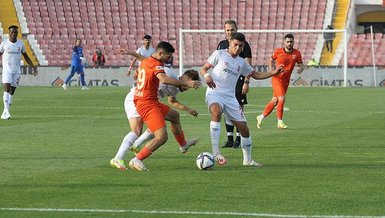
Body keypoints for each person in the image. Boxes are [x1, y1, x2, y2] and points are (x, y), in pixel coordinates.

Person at [113, 42, 201, 171]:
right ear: (160, 53)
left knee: (174, 116)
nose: (169, 59)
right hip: (141, 100)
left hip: (150, 101)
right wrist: (186, 83)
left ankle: (183, 144)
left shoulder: (151, 61)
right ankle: (132, 159)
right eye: (168, 56)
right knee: (158, 135)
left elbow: (142, 59)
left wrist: (129, 52)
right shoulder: (164, 70)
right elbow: (164, 79)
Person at [200, 32, 283, 166]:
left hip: (230, 97)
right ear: (230, 43)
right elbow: (203, 68)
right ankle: (216, 153)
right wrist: (207, 76)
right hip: (214, 92)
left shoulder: (241, 62)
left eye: (240, 46)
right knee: (216, 111)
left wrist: (274, 72)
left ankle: (248, 160)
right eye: (235, 45)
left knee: (244, 129)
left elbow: (255, 74)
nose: (238, 48)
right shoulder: (219, 54)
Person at [256, 34, 304, 129]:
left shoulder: (297, 53)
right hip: (277, 79)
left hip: (286, 81)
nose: (289, 43)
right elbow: (271, 60)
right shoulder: (278, 51)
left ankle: (260, 117)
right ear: (284, 42)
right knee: (282, 98)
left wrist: (301, 69)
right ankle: (280, 122)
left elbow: (301, 64)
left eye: (291, 42)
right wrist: (271, 71)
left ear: (293, 42)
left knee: (274, 101)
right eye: (288, 41)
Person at [217, 19, 252, 149]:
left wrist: (247, 82)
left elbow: (248, 65)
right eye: (227, 30)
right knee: (226, 110)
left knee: (239, 108)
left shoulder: (244, 44)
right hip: (225, 83)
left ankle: (239, 139)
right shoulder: (221, 45)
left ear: (236, 29)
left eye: (232, 29)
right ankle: (230, 139)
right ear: (224, 31)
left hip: (240, 81)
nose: (230, 32)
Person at [0, 25, 38, 120]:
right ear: (9, 33)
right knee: (6, 89)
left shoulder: (20, 44)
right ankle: (7, 112)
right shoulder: (4, 43)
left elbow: (26, 56)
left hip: (16, 71)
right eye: (12, 32)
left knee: (12, 92)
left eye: (15, 32)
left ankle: (4, 112)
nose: (13, 34)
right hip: (6, 70)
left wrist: (33, 67)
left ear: (17, 33)